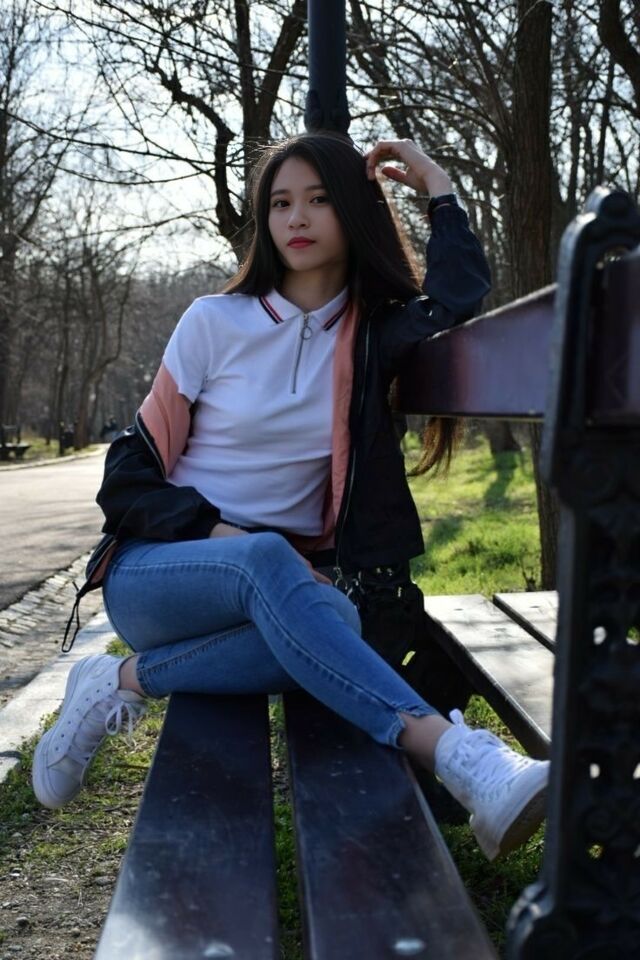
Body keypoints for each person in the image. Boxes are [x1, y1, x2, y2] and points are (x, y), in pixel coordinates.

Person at [31, 133, 548, 861]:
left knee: (331, 625)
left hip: (278, 593)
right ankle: (464, 760)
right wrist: (229, 539)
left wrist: (437, 186)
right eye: (280, 203)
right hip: (159, 574)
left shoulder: (370, 337)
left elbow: (459, 293)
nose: (296, 218)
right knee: (275, 564)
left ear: (354, 212)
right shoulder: (214, 322)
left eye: (319, 199)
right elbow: (126, 477)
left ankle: (118, 680)